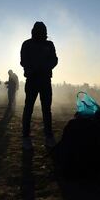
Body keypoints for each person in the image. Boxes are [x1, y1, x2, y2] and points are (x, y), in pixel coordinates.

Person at [20, 21, 58, 150]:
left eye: (42, 30)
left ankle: (48, 137)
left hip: (44, 80)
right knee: (30, 108)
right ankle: (26, 137)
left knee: (45, 110)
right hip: (33, 79)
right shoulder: (27, 44)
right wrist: (33, 68)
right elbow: (23, 61)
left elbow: (54, 60)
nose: (42, 33)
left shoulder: (48, 44)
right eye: (40, 30)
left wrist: (44, 67)